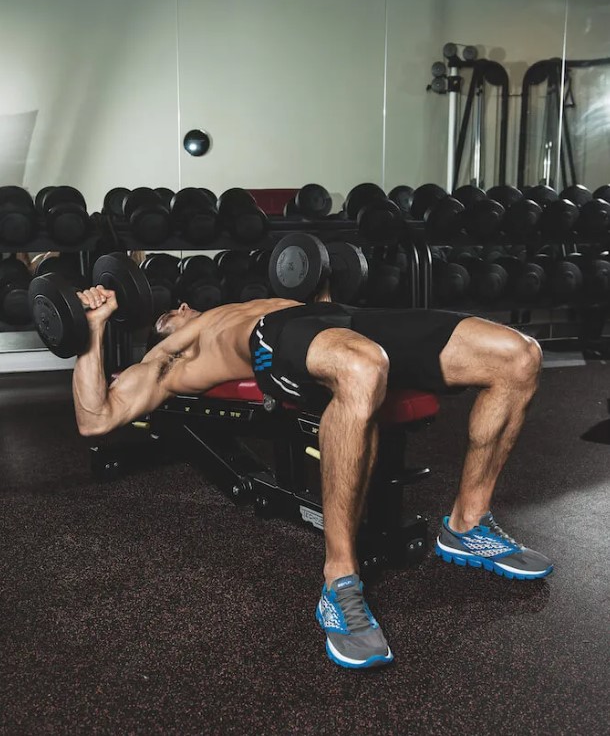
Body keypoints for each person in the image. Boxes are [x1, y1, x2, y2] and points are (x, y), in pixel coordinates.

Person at [73, 284, 553, 670]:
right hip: (273, 337)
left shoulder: (247, 299)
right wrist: (90, 330)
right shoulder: (169, 357)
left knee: (519, 355)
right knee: (362, 368)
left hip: (346, 317)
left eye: (181, 302)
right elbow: (94, 418)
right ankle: (339, 580)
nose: (178, 308)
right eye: (167, 314)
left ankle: (467, 526)